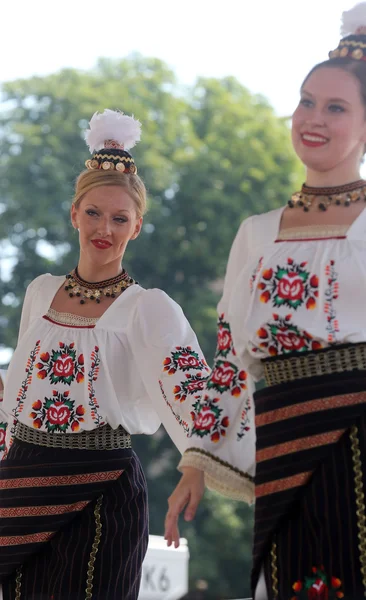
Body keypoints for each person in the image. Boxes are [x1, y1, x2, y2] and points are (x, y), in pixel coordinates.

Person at [165, 3, 366, 599]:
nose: (314, 118)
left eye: (336, 107)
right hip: (280, 435)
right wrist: (197, 460)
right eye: (306, 101)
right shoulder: (257, 233)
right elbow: (230, 354)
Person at [0, 109, 212, 600]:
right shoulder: (40, 291)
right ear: (74, 213)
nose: (105, 228)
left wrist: (196, 467)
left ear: (136, 228)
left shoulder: (148, 308)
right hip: (24, 480)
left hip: (101, 490)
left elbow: (194, 389)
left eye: (121, 218)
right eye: (94, 213)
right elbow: (19, 393)